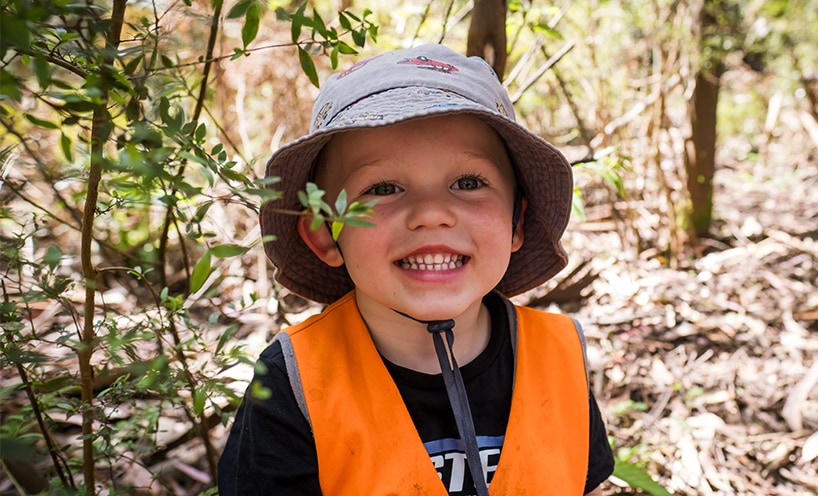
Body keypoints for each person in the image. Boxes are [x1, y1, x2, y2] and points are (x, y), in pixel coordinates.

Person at [219, 44, 614, 495]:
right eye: (384, 188)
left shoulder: (558, 357)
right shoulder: (297, 381)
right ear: (325, 234)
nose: (430, 214)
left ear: (516, 222)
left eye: (469, 183)